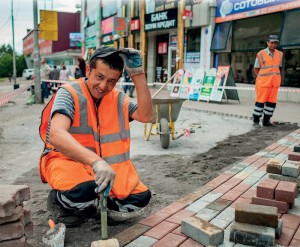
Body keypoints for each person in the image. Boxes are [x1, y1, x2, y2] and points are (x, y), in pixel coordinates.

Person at [38, 46, 153, 227]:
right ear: (89, 70)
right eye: (100, 77)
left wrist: (138, 74)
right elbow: (56, 134)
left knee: (141, 198)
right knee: (84, 191)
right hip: (69, 163)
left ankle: (96, 206)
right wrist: (96, 162)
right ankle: (60, 201)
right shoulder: (69, 93)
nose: (103, 86)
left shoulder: (117, 98)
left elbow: (146, 116)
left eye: (111, 81)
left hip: (105, 168)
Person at [252, 34, 283, 127]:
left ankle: (266, 121)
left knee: (271, 104)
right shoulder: (261, 54)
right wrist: (261, 78)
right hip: (263, 83)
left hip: (274, 84)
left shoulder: (279, 54)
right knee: (260, 103)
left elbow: (279, 67)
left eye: (275, 43)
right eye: (272, 43)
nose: (273, 45)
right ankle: (256, 121)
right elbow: (256, 68)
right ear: (268, 43)